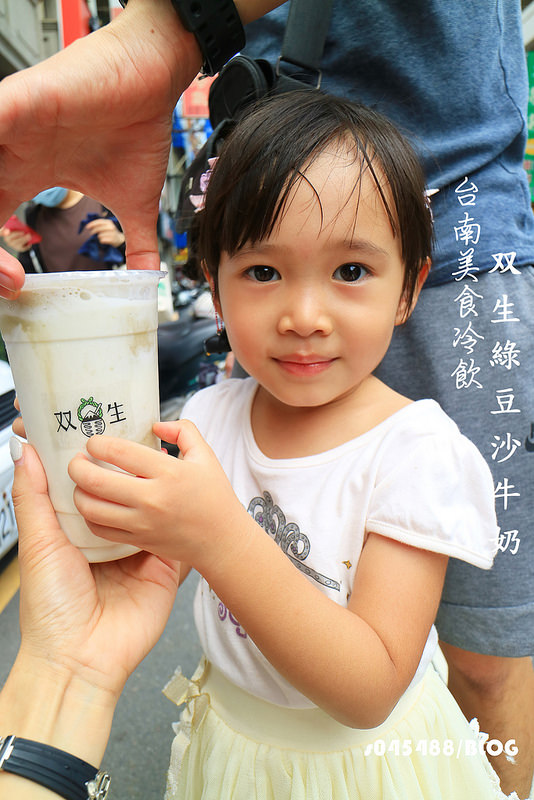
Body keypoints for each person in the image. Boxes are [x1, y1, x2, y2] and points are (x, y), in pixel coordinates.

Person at [0, 0, 531, 796]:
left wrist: (217, 535)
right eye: (262, 271)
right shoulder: (208, 419)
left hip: (370, 771)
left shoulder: (419, 453)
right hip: (238, 749)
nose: (304, 317)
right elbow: (139, 560)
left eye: (350, 272)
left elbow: (371, 686)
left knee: (492, 660)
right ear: (212, 281)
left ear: (407, 289)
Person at [0, 188, 125, 272]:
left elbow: (139, 265)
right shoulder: (34, 215)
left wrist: (120, 241)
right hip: (60, 304)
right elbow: (33, 273)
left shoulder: (103, 200)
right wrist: (25, 250)